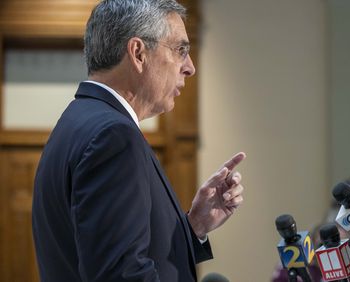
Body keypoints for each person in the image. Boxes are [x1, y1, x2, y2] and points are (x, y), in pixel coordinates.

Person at [31, 1, 246, 281]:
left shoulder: (78, 121)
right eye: (181, 50)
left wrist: (192, 227)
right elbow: (121, 274)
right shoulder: (113, 137)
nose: (190, 67)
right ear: (138, 53)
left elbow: (114, 254)